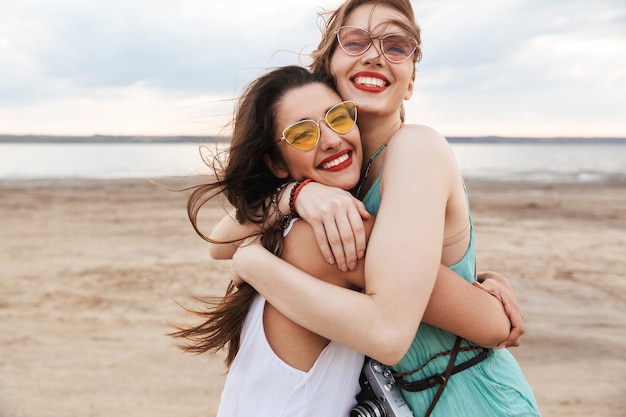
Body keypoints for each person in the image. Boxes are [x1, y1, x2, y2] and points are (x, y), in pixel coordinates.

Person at [224, 1, 541, 416]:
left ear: (410, 82)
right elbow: (218, 239)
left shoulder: (415, 147)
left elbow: (400, 324)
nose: (375, 54)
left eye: (396, 46)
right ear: (330, 69)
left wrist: (251, 262)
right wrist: (296, 195)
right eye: (355, 42)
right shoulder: (346, 178)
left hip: (472, 398)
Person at [172, 66, 519, 416]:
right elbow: (493, 325)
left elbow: (220, 242)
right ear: (277, 163)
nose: (332, 139)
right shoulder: (336, 236)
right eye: (303, 134)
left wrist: (290, 197)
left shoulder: (274, 233)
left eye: (338, 117)